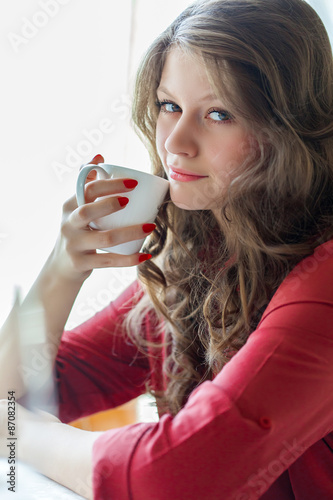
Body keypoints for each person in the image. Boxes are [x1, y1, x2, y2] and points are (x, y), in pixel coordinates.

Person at [1, 0, 333, 498]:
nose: (175, 142)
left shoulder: (323, 280)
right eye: (169, 105)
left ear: (285, 130)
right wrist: (63, 269)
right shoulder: (203, 258)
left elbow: (171, 474)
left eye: (219, 114)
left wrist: (20, 435)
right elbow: (20, 387)